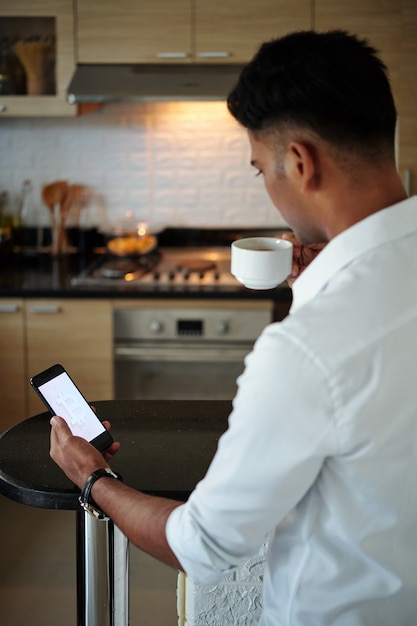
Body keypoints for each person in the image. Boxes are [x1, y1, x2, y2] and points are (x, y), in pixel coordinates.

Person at [49, 29, 417, 624]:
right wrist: (319, 287)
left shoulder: (305, 350)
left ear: (299, 162)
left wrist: (94, 481)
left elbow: (204, 548)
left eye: (258, 171)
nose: (266, 188)